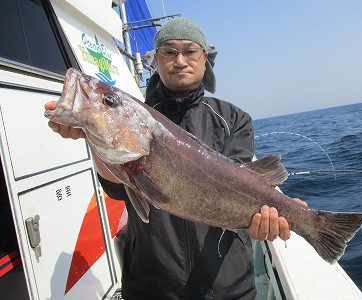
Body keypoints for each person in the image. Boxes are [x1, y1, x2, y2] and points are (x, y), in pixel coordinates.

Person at [46, 18, 306, 300]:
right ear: (156, 60)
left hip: (228, 288)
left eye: (190, 51)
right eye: (168, 52)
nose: (179, 60)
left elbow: (246, 184)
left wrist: (276, 217)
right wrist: (91, 133)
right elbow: (118, 187)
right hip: (152, 288)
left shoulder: (234, 119)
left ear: (205, 58)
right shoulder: (141, 115)